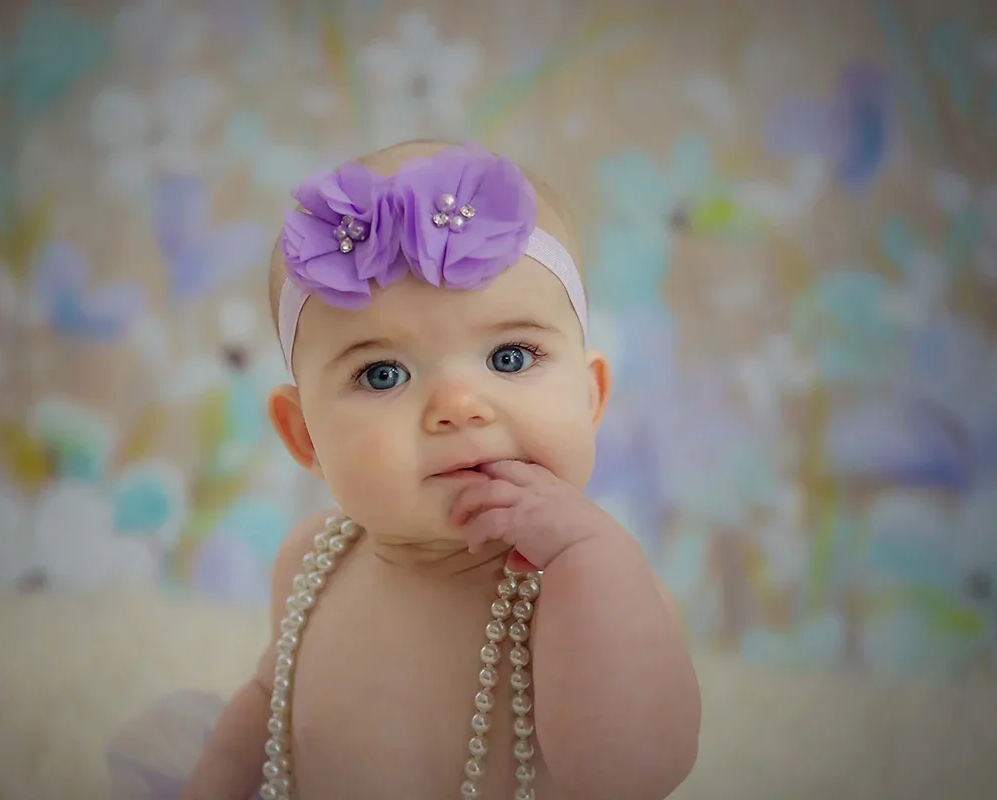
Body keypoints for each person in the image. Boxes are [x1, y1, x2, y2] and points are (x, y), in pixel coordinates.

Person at [107, 139, 701, 800]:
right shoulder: (313, 561)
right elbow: (268, 706)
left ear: (590, 397)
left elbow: (633, 771)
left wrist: (590, 555)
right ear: (303, 435)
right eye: (383, 373)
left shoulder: (601, 591)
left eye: (509, 357)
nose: (459, 407)